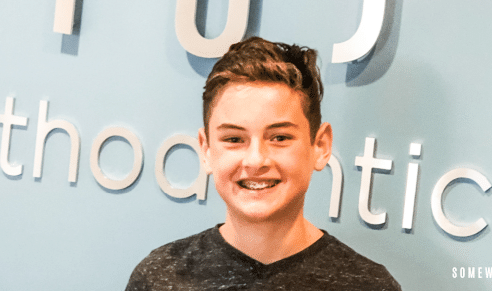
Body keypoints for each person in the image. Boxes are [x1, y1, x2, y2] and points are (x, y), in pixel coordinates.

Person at [125, 37, 401, 290]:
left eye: (280, 137)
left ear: (320, 146)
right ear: (206, 149)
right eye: (234, 139)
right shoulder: (160, 277)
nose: (256, 160)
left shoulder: (370, 286)